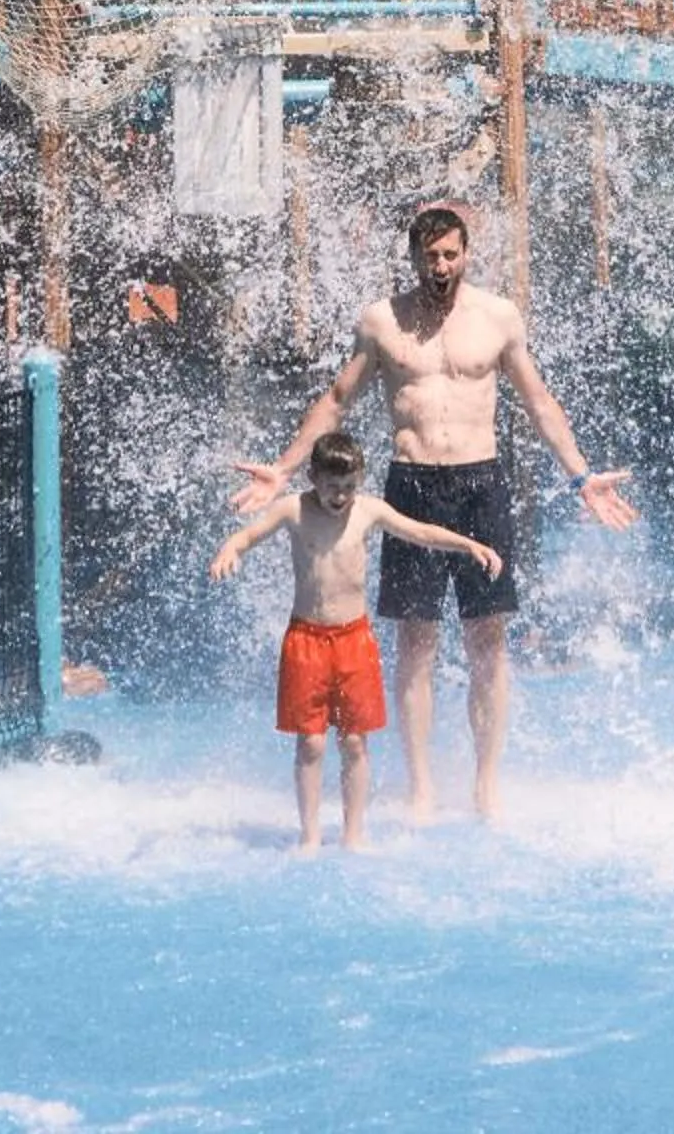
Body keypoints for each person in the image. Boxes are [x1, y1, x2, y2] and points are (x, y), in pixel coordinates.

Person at [232, 201, 637, 822]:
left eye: (451, 255)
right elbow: (337, 400)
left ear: (466, 254)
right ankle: (422, 786)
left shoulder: (497, 317)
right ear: (414, 259)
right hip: (412, 483)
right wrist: (285, 469)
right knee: (416, 641)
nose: (441, 266)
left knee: (487, 640)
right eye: (431, 257)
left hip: (481, 484)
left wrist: (581, 476)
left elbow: (538, 401)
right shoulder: (382, 322)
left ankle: (485, 783)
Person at [211, 426, 503, 853]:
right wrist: (229, 551)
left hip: (354, 641)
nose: (340, 496)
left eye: (348, 486)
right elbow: (246, 536)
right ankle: (310, 836)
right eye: (332, 486)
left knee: (353, 741)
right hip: (306, 640)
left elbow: (421, 532)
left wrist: (468, 545)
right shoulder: (292, 509)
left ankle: (354, 834)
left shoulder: (368, 511)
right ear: (313, 477)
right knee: (311, 742)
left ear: (359, 481)